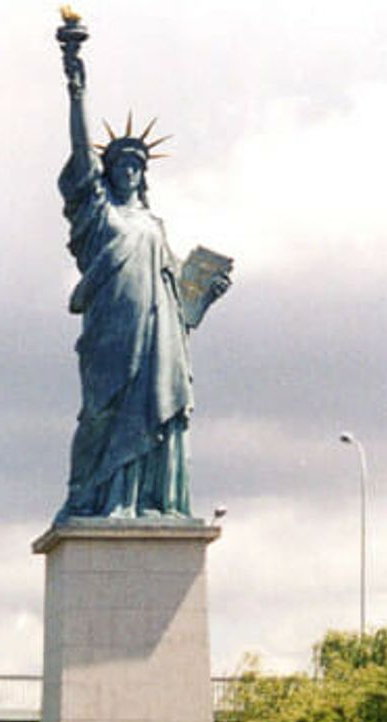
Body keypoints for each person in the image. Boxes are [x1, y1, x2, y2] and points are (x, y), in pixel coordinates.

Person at [54, 12, 230, 522]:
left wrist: (206, 292)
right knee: (101, 413)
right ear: (108, 172)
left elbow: (179, 297)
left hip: (157, 339)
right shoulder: (97, 214)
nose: (130, 169)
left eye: (137, 164)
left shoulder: (154, 224)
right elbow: (79, 157)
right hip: (112, 335)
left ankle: (147, 501)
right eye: (121, 163)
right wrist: (75, 88)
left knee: (155, 414)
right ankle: (90, 495)